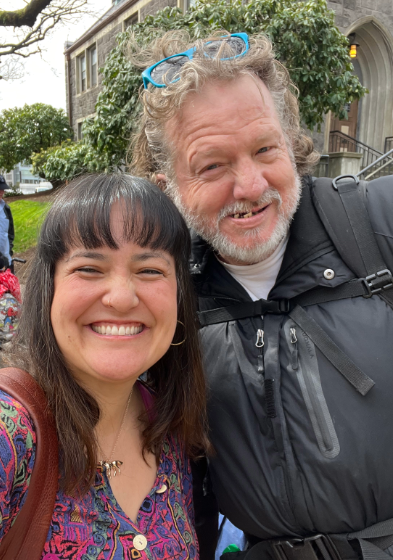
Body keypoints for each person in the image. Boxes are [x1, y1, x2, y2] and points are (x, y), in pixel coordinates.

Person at [130, 30, 393, 559]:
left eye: (264, 148)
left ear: (291, 144)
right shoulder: (164, 300)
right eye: (212, 165)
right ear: (167, 185)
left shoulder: (376, 224)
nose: (250, 186)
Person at [0, 173, 210, 559]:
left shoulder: (172, 430)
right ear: (49, 289)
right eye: (89, 268)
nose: (121, 297)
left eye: (150, 270)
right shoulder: (0, 430)